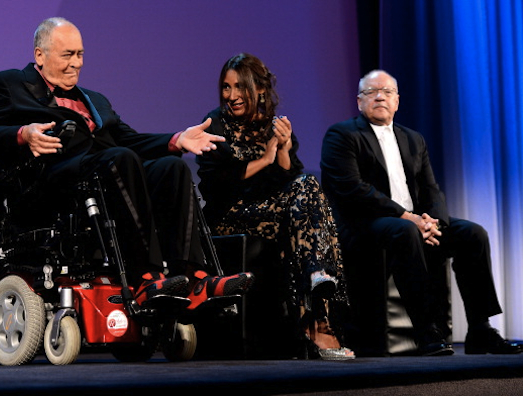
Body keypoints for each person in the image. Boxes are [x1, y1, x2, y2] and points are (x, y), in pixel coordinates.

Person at [0, 17, 253, 311]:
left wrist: (176, 140)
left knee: (171, 167)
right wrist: (22, 134)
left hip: (104, 173)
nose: (76, 63)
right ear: (40, 54)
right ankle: (145, 276)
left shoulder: (95, 100)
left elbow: (128, 139)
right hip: (49, 184)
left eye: (80, 55)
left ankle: (194, 277)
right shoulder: (9, 85)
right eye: (67, 55)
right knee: (121, 159)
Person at [320, 69, 521, 356]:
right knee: (403, 231)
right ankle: (427, 332)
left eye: (387, 92)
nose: (379, 96)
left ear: (397, 101)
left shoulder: (413, 139)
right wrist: (409, 217)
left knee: (472, 234)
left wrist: (433, 223)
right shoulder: (342, 134)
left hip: (413, 223)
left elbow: (431, 189)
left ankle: (480, 329)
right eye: (371, 92)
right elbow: (354, 190)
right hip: (364, 227)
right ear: (359, 102)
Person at [196, 53, 354, 360]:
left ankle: (315, 289)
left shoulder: (276, 126)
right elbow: (216, 188)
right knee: (304, 204)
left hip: (273, 212)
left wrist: (281, 149)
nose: (231, 95)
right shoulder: (214, 124)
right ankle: (318, 320)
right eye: (226, 88)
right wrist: (264, 160)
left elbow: (289, 180)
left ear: (260, 90)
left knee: (306, 185)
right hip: (229, 215)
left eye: (239, 87)